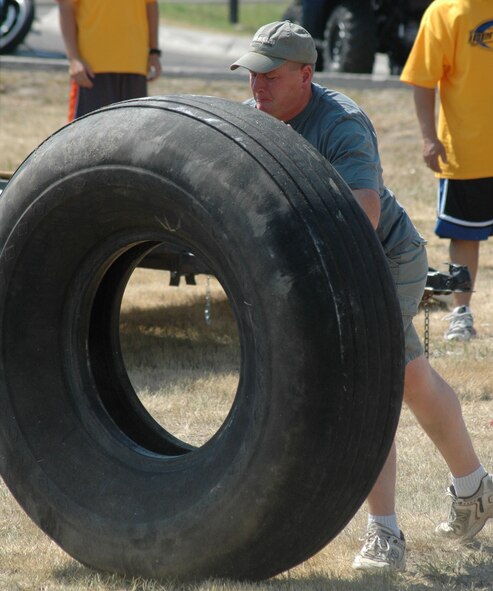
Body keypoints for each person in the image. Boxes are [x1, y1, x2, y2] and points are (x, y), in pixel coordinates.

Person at [230, 20, 493, 571]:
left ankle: (385, 536)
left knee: (367, 388)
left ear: (306, 75)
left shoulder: (342, 123)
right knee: (410, 377)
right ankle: (475, 488)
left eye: (269, 76)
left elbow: (364, 215)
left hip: (382, 256)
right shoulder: (256, 118)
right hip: (326, 259)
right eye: (252, 75)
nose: (256, 87)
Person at [400, 0, 493, 342]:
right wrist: (428, 138)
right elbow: (423, 80)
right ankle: (461, 313)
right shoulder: (446, 11)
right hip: (467, 152)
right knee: (465, 235)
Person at [56, 0, 162, 121]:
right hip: (92, 70)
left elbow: (151, 5)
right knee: (89, 135)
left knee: (133, 136)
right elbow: (65, 6)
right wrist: (74, 59)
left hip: (135, 66)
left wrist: (154, 51)